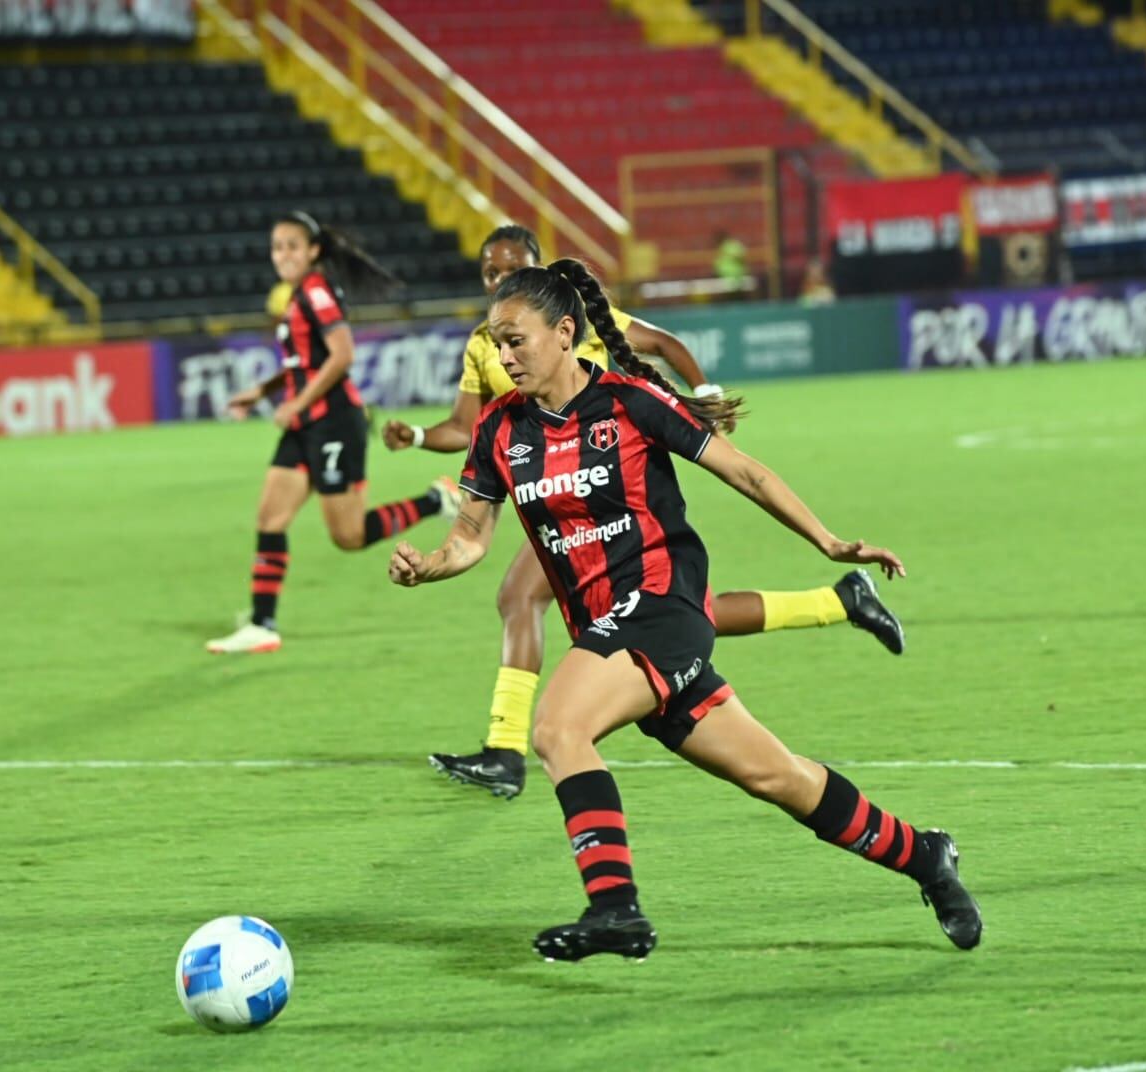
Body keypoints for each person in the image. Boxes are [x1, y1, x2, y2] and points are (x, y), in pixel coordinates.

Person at [388, 259, 981, 959]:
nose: (502, 355)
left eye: (515, 339)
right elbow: (470, 538)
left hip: (662, 607)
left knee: (556, 728)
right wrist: (431, 565)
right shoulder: (500, 431)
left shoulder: (627, 402)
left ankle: (614, 910)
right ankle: (924, 855)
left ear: (564, 332)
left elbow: (745, 471)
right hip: (610, 630)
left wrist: (826, 541)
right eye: (495, 342)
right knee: (776, 776)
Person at [382, 225, 903, 799]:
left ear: (558, 317)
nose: (499, 283)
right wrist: (418, 447)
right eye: (489, 273)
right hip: (553, 504)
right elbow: (466, 446)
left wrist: (703, 399)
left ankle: (505, 750)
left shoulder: (594, 348)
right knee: (754, 738)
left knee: (541, 627)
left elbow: (673, 362)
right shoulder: (493, 355)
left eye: (511, 270)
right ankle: (839, 602)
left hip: (618, 516)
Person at [205, 211, 461, 654]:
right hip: (306, 424)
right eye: (276, 247)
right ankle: (263, 624)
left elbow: (342, 356)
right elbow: (303, 364)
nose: (282, 255)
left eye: (291, 246)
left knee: (349, 536)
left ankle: (435, 500)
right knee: (271, 518)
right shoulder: (296, 294)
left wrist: (295, 404)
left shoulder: (316, 292)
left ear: (313, 250)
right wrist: (261, 391)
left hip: (335, 422)